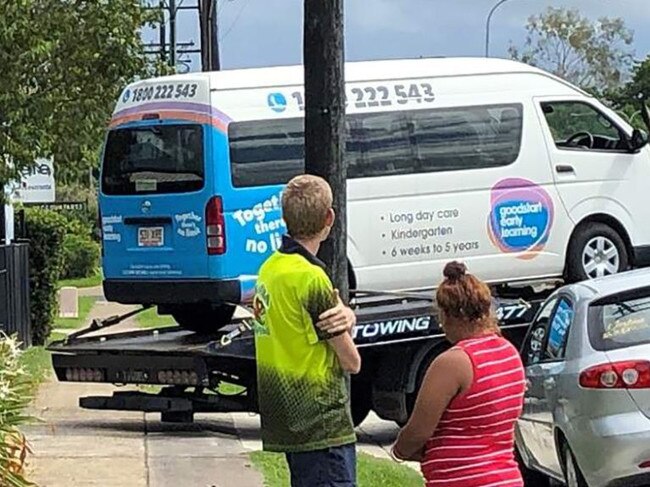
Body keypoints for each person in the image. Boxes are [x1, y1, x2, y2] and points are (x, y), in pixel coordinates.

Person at [251, 174, 362, 487]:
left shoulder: (270, 270)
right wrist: (348, 320)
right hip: (322, 423)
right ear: (329, 218)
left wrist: (346, 316)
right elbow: (351, 362)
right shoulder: (312, 279)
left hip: (288, 421)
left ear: (285, 219)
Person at [392, 261, 525, 487]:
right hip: (506, 477)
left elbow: (419, 431)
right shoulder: (508, 352)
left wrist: (399, 450)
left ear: (449, 315)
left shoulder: (452, 363)